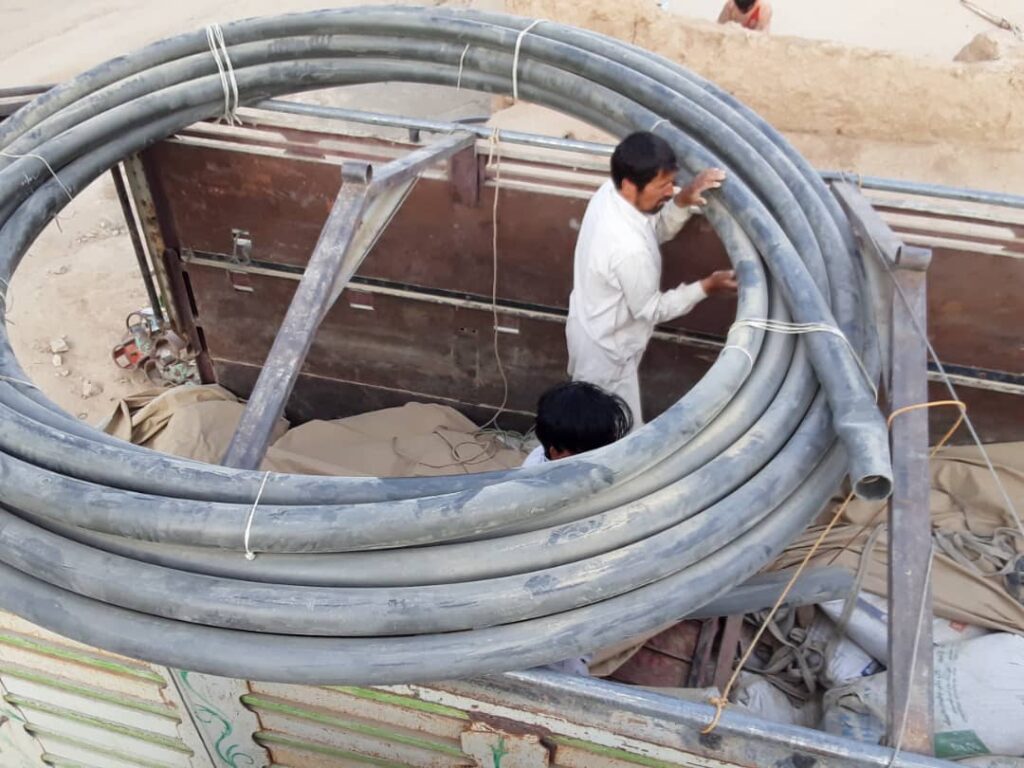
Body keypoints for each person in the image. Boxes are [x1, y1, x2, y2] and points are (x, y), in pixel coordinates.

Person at [566, 131, 737, 426]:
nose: (670, 191)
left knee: (592, 422)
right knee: (614, 434)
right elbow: (651, 310)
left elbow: (651, 230)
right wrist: (707, 287)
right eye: (663, 185)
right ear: (630, 185)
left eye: (672, 182)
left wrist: (681, 201)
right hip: (608, 356)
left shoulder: (610, 193)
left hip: (592, 331)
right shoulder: (628, 248)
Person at [522, 380, 633, 467]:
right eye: (595, 454)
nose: (605, 457)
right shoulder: (536, 482)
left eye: (609, 447)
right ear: (558, 454)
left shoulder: (567, 456)